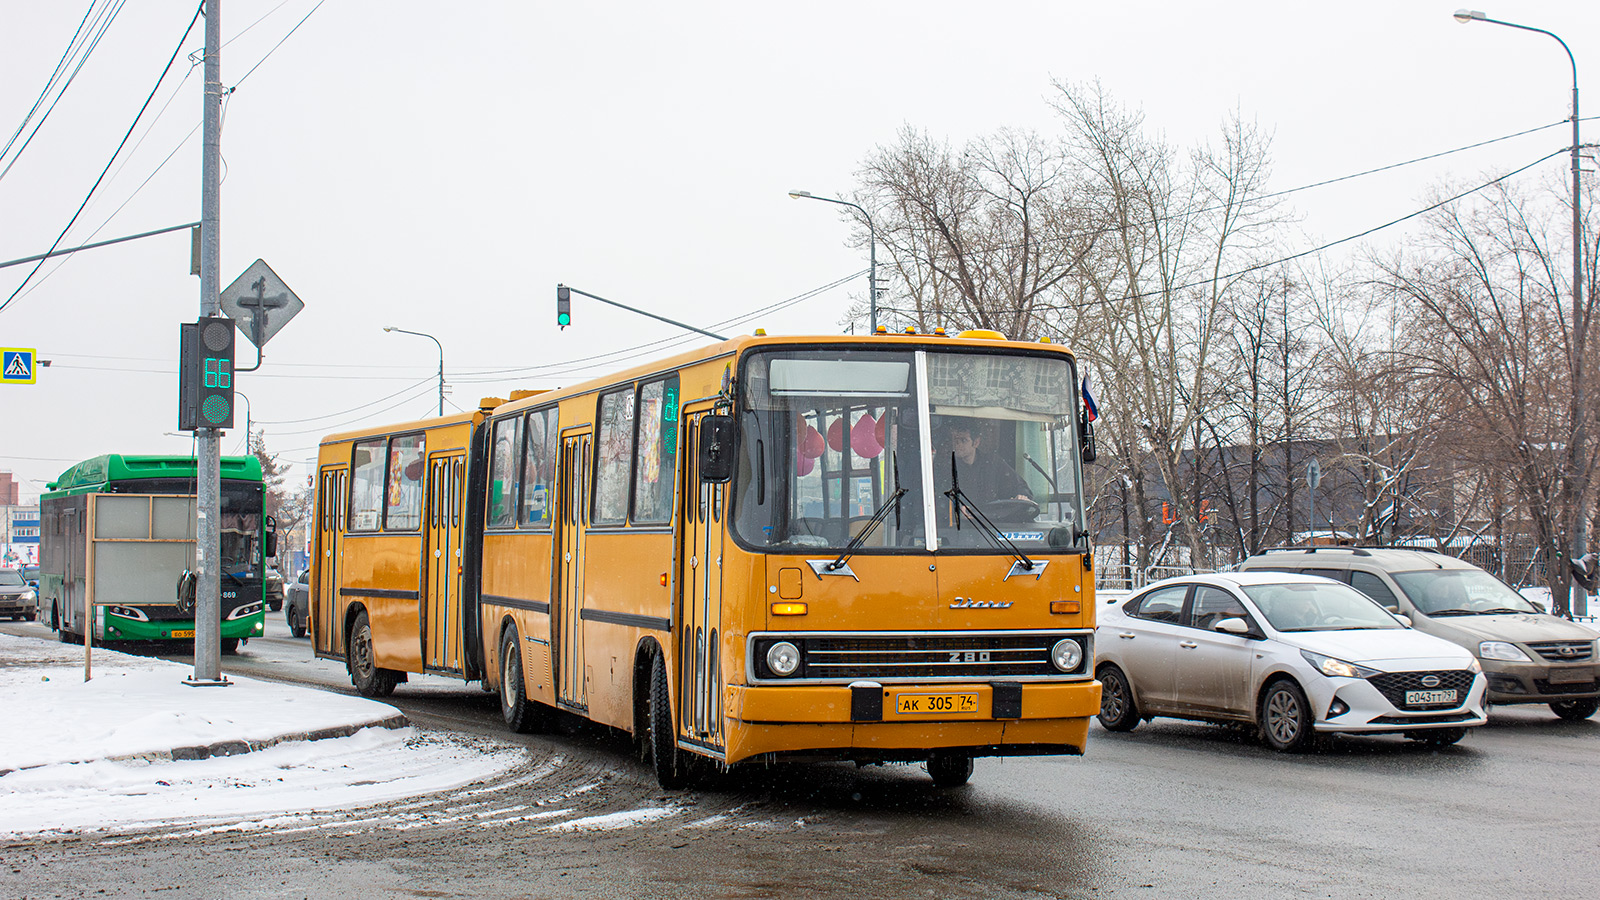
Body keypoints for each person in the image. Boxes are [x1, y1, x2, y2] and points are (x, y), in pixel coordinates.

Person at [938, 421, 1031, 506]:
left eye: (963, 440)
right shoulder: (947, 467)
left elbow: (1019, 486)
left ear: (976, 442)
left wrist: (1022, 496)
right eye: (955, 440)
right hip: (960, 522)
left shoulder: (993, 463)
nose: (957, 444)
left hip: (990, 522)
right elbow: (939, 497)